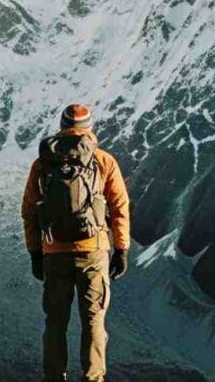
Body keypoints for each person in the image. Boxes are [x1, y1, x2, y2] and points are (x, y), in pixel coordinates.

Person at [21, 103, 130, 382]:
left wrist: (35, 253)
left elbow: (29, 210)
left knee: (55, 323)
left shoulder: (43, 163)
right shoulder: (103, 160)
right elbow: (119, 206)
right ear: (89, 128)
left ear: (61, 126)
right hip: (93, 251)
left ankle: (54, 377)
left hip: (54, 252)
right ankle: (93, 378)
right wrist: (121, 249)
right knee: (93, 320)